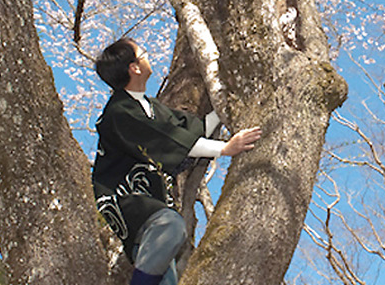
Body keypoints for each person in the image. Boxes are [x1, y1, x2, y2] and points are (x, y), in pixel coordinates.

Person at [91, 38, 262, 285]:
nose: (148, 56)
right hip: (126, 198)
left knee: (165, 277)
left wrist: (225, 105)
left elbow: (194, 130)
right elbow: (170, 140)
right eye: (143, 52)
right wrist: (225, 148)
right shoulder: (119, 112)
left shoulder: (153, 108)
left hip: (153, 204)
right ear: (134, 67)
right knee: (170, 225)